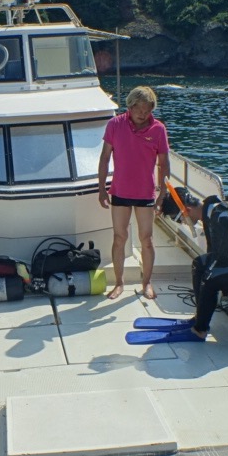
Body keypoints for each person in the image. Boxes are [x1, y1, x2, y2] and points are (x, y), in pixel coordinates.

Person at [95, 85, 170, 300]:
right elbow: (104, 158)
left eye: (147, 110)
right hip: (120, 191)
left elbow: (164, 164)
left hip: (146, 193)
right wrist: (102, 189)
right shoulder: (115, 124)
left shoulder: (158, 129)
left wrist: (162, 195)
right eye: (139, 109)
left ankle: (147, 283)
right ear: (130, 106)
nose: (143, 114)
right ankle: (119, 283)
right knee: (119, 237)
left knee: (147, 239)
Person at [167, 188, 228, 340]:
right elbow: (212, 252)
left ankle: (200, 330)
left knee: (210, 278)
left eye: (179, 219)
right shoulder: (209, 213)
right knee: (199, 264)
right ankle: (200, 317)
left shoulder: (221, 215)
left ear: (188, 210)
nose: (182, 223)